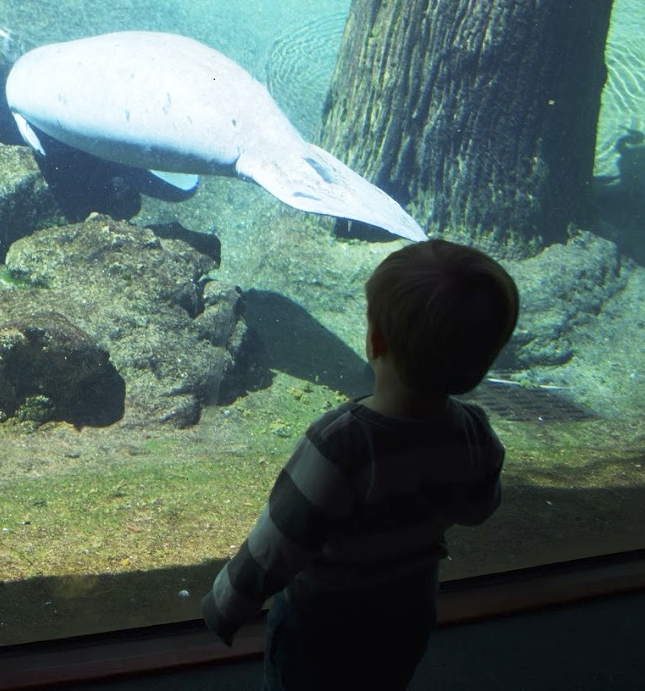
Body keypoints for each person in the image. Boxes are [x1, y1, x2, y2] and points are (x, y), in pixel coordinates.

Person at [202, 239, 518, 690]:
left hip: (323, 622)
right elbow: (479, 508)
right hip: (408, 610)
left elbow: (279, 539)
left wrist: (226, 604)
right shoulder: (471, 430)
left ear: (374, 340)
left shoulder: (342, 441)